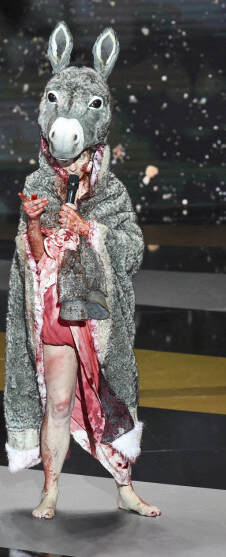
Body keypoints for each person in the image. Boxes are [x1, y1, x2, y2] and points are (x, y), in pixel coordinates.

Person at [4, 143, 161, 519]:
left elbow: (133, 251)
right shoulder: (39, 183)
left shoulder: (112, 192)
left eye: (77, 157)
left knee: (114, 397)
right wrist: (34, 223)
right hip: (56, 311)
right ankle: (50, 491)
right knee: (57, 404)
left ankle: (125, 490)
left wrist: (89, 229)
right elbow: (37, 257)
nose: (70, 164)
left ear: (94, 151)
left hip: (99, 318)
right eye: (62, 156)